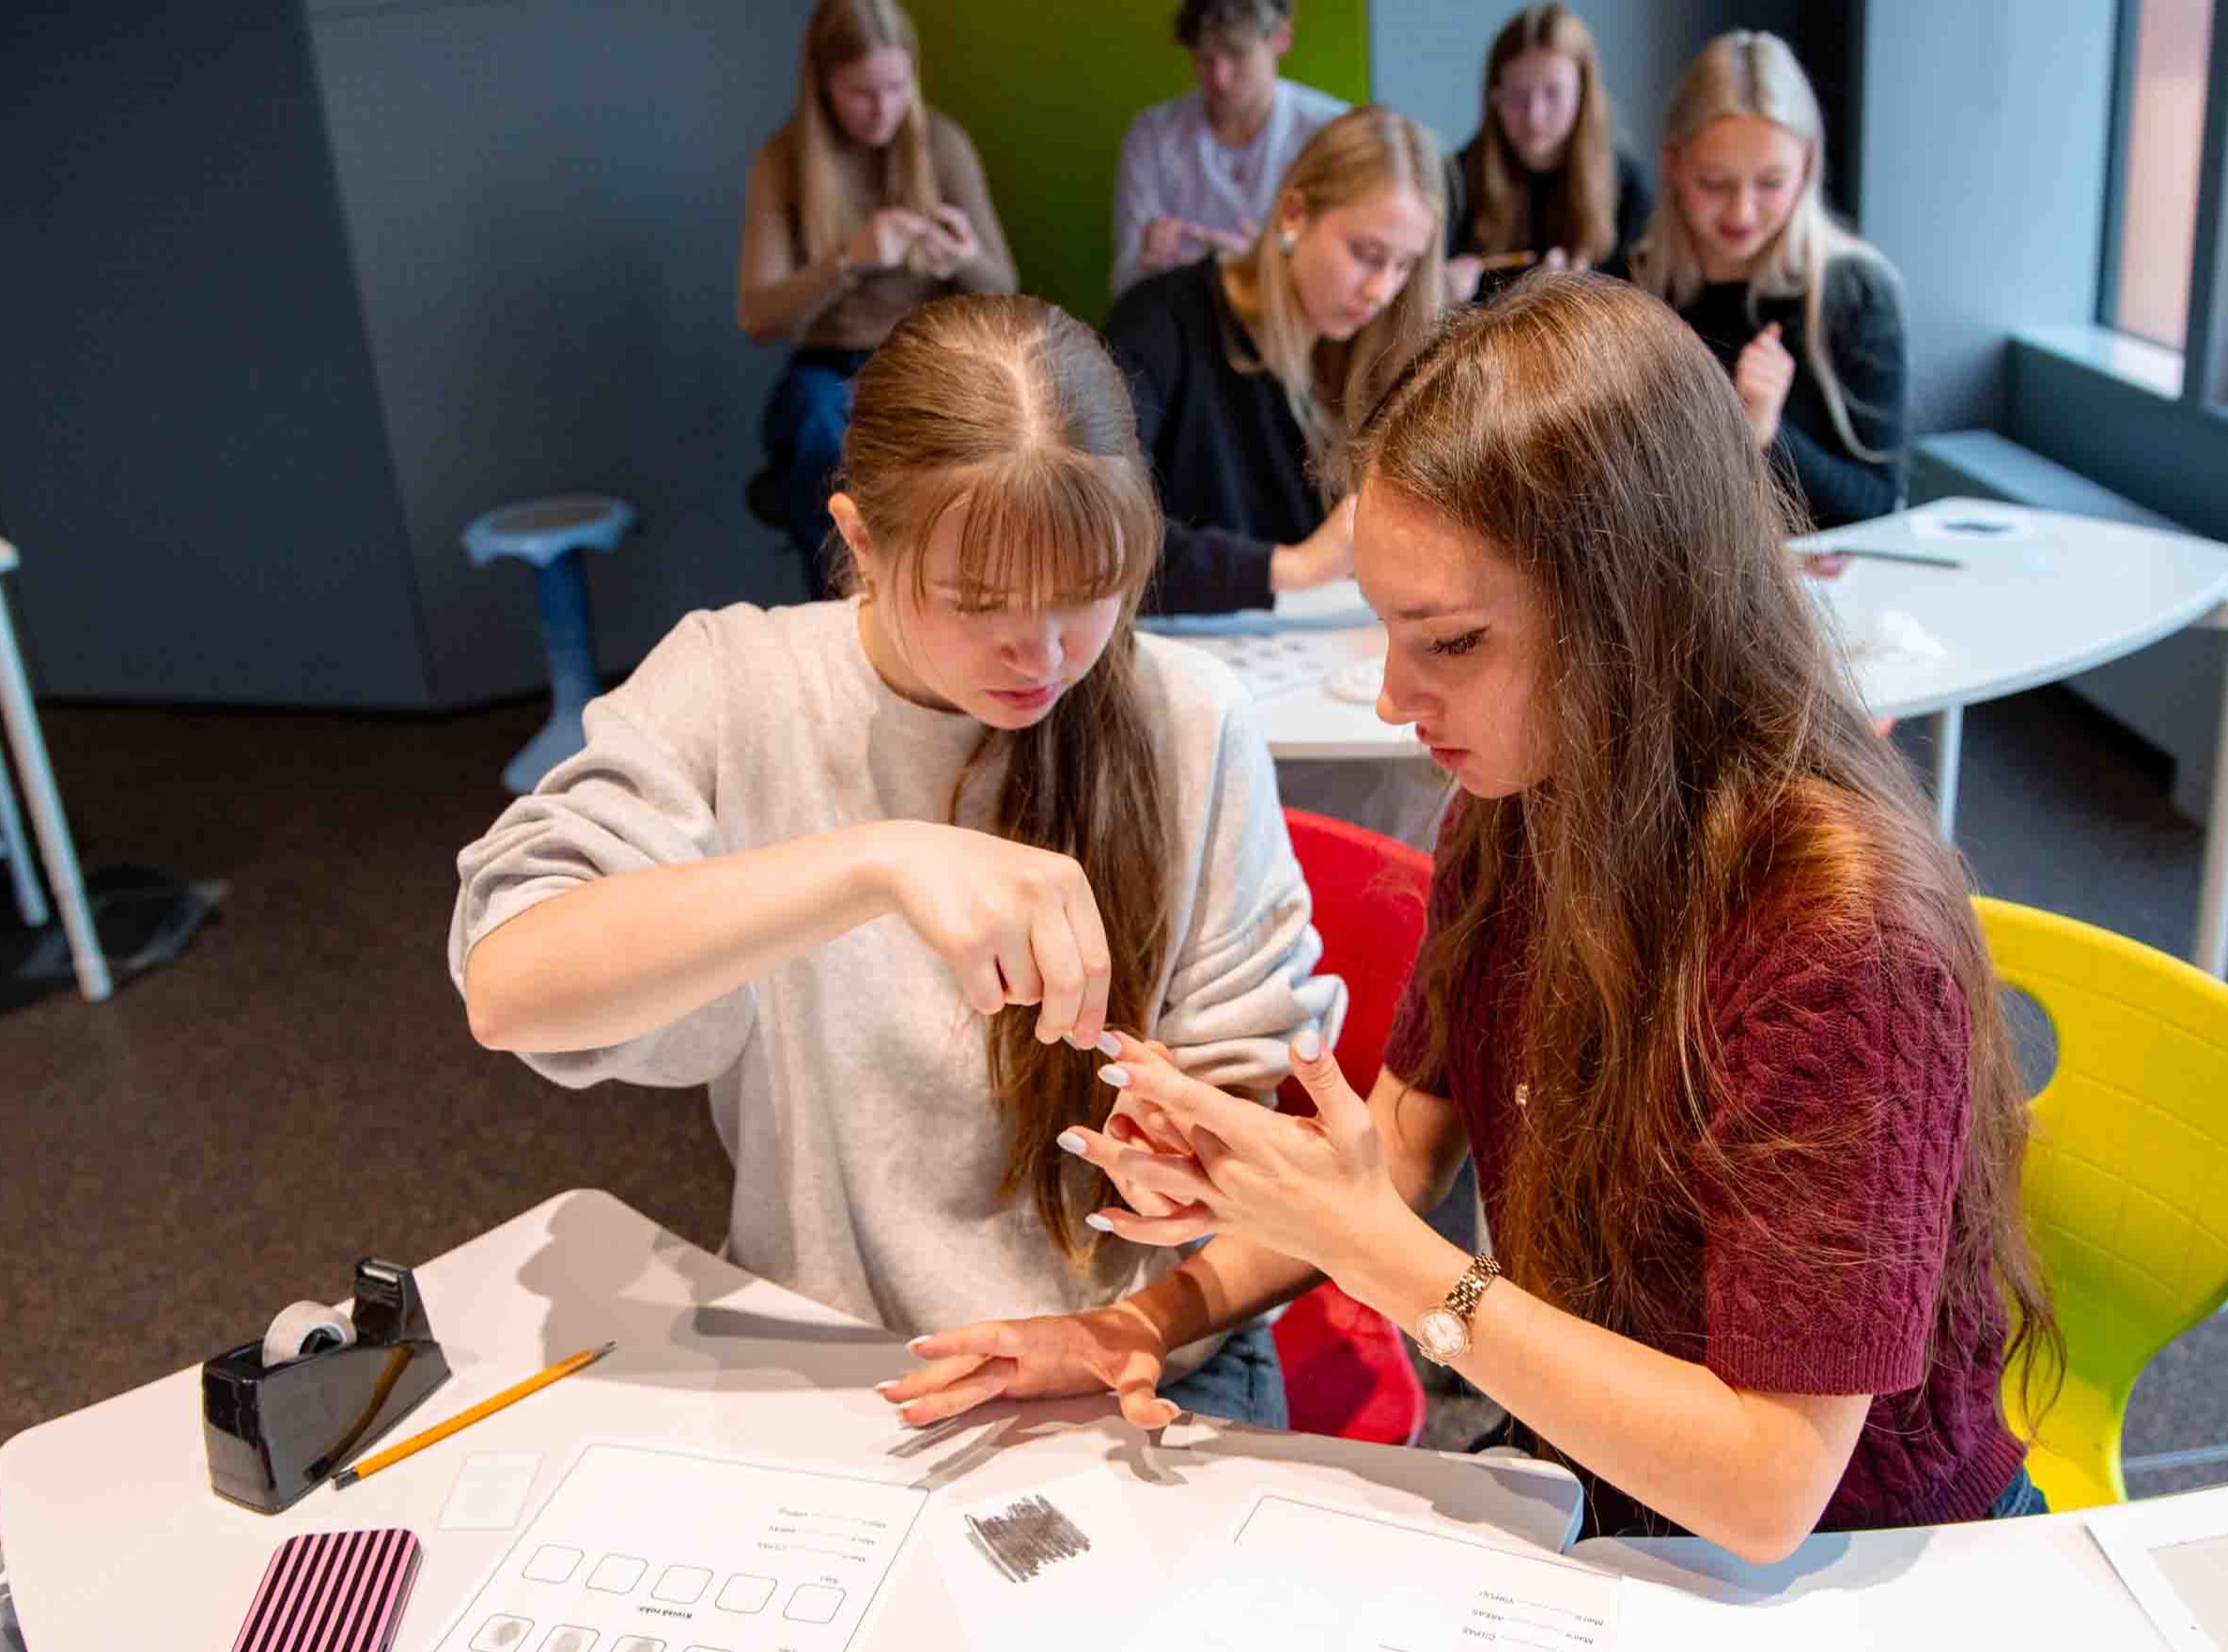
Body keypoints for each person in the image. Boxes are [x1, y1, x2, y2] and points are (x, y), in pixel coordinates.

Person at [881, 274, 2060, 1560]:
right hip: (1602, 1494)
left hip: (1855, 1565)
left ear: (1633, 614)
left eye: (1446, 643)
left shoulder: (1836, 933)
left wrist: (1387, 1257)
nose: (1392, 698)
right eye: (1389, 631)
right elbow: (1401, 1140)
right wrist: (1154, 1307)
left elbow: (1771, 1480)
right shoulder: (1527, 800)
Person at [454, 294, 1337, 1430]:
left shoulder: (1188, 719)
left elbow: (1259, 1104)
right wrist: (872, 863)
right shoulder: (736, 685)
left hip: (1135, 1353)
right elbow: (513, 985)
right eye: (978, 603)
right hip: (839, 1361)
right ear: (861, 541)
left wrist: (1192, 1156)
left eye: (1088, 592)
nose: (1047, 652)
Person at [1103, 104, 1443, 618]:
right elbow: (1098, 530)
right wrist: (1292, 567)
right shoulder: (1159, 321)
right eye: (1366, 254)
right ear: (1292, 215)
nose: (1381, 290)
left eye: (1403, 266)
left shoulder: (1377, 347)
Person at [738, 0, 1017, 595]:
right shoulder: (783, 160)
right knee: (821, 430)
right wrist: (846, 262)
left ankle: (957, 610)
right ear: (822, 85)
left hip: (927, 361)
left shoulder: (942, 144)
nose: (883, 109)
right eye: (862, 93)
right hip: (831, 368)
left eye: (897, 86)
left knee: (997, 436)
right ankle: (845, 611)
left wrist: (962, 260)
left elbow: (1005, 289)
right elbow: (758, 317)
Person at [1613, 29, 1906, 532]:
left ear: (1808, 164)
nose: (1742, 211)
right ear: (1674, 164)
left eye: (1770, 183)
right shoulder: (1631, 288)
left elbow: (1878, 504)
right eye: (1715, 183)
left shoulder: (1854, 291)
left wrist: (1768, 433)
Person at [1109, 0, 1348, 303]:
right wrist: (1147, 262)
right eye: (1204, 57)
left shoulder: (1330, 132)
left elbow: (1348, 279)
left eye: (1237, 53)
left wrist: (1263, 264)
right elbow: (1125, 288)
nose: (1219, 77)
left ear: (1281, 38)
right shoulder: (1153, 135)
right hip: (1183, 325)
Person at [1441, 6, 1650, 305]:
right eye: (1516, 95)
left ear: (1583, 95)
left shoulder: (1627, 187)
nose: (1534, 117)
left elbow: (1642, 314)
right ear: (1494, 97)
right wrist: (1438, 293)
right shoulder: (1454, 182)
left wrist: (1585, 290)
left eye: (1553, 93)